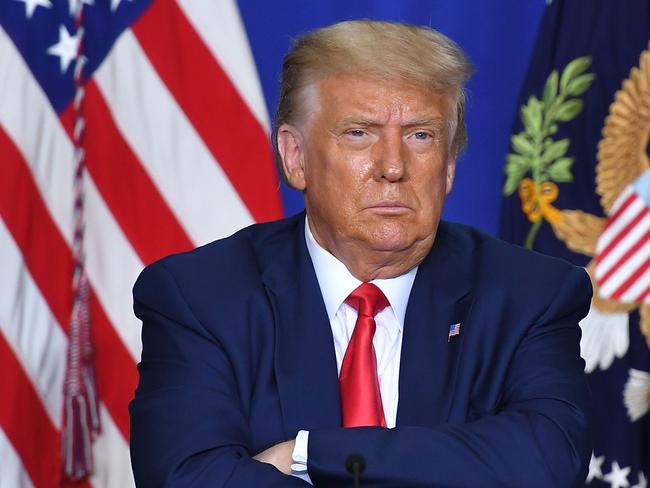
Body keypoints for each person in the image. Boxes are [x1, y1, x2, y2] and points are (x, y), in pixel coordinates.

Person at [129, 20, 593, 487]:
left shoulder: (529, 296)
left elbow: (548, 461)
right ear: (295, 157)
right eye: (359, 133)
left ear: (449, 165)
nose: (393, 166)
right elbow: (186, 477)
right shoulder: (200, 298)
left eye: (420, 135)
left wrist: (308, 454)